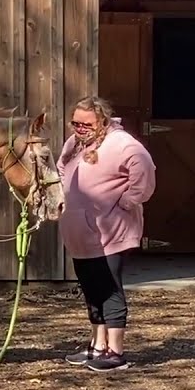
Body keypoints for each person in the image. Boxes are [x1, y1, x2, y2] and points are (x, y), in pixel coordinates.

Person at [57, 96, 156, 372]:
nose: (79, 128)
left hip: (110, 231)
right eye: (75, 123)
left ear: (101, 120)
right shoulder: (74, 143)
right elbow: (62, 167)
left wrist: (127, 201)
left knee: (109, 287)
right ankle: (97, 345)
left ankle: (116, 351)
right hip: (80, 233)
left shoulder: (122, 144)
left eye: (85, 124)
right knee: (90, 288)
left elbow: (145, 172)